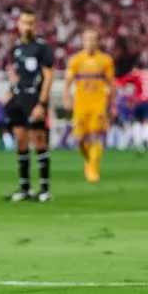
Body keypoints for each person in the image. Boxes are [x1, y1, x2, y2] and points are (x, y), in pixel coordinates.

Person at [5, 10, 55, 202]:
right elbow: (14, 73)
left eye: (31, 23)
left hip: (35, 99)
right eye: (24, 22)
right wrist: (9, 93)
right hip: (18, 98)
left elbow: (48, 76)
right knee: (21, 141)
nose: (27, 26)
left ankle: (44, 189)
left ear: (35, 26)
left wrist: (42, 103)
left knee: (39, 141)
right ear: (18, 24)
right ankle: (24, 188)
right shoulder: (16, 48)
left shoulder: (42, 48)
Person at [63, 29, 115, 183]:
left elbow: (111, 84)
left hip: (98, 104)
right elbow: (68, 82)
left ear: (98, 42)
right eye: (87, 39)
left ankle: (93, 169)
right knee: (79, 139)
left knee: (96, 137)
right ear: (82, 41)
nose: (90, 42)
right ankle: (89, 160)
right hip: (81, 105)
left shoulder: (106, 60)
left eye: (93, 39)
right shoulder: (75, 60)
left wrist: (113, 105)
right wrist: (67, 98)